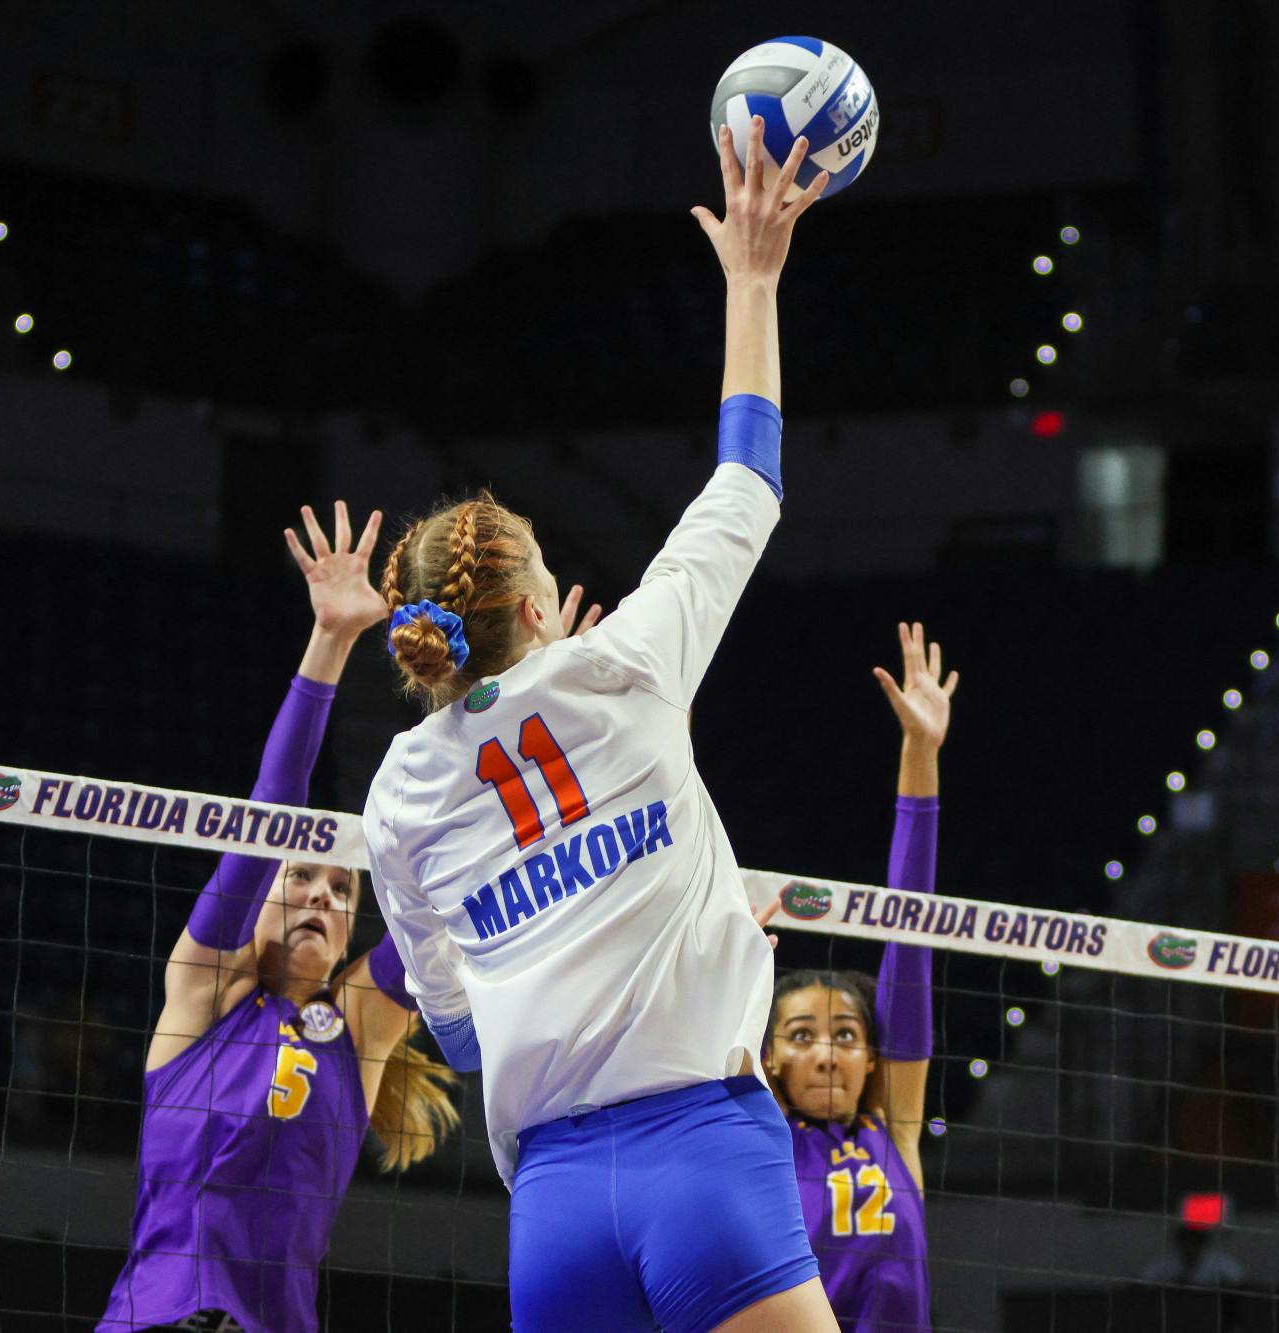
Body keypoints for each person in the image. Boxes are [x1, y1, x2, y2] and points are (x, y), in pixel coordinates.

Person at [362, 117, 837, 1333]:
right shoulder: (625, 667)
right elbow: (748, 479)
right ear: (537, 607)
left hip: (556, 1203)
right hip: (703, 1153)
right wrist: (752, 276)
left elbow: (461, 1044)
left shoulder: (401, 790)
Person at [100, 503, 462, 1333]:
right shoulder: (204, 992)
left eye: (343, 892)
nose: (324, 897)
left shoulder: (359, 1025)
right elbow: (272, 808)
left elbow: (455, 888)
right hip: (157, 1319)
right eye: (303, 877)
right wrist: (331, 640)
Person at [758, 622, 955, 1333]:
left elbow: (911, 932)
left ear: (872, 1053)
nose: (827, 1050)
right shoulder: (763, 1136)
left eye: (845, 1033)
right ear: (772, 1058)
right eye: (802, 1034)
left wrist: (919, 753)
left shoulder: (896, 1132)